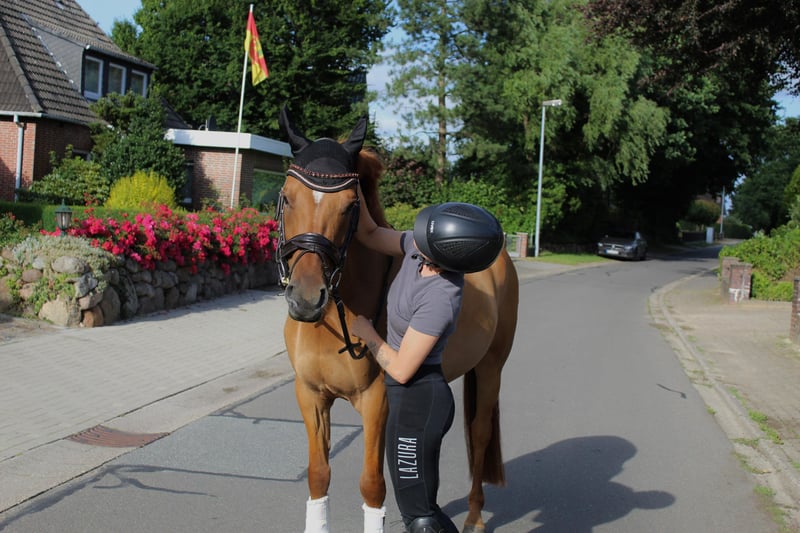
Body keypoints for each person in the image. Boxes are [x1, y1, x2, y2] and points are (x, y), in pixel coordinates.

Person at [351, 193, 504, 533]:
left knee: (419, 517)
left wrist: (368, 334)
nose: (415, 236)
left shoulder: (441, 297)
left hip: (419, 404)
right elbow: (371, 233)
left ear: (443, 250)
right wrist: (354, 184)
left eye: (425, 235)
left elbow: (402, 369)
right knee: (419, 509)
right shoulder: (416, 251)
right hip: (407, 403)